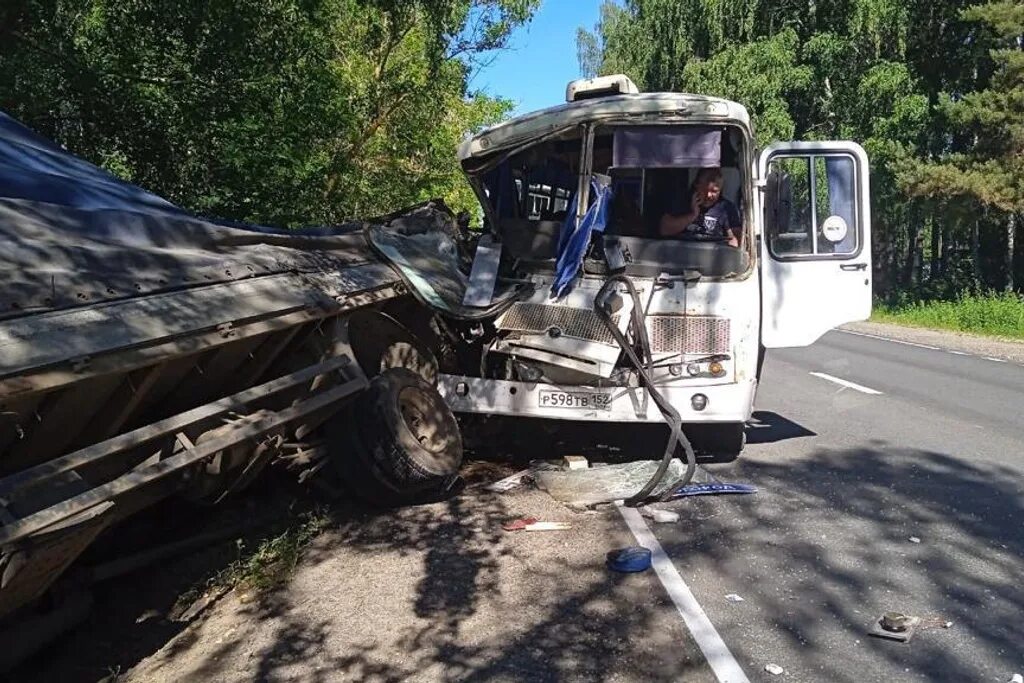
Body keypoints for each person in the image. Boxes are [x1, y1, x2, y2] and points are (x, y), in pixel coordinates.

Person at [659, 167, 741, 247]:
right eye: (705, 190)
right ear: (696, 185)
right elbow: (665, 229)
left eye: (714, 191)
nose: (709, 195)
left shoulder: (726, 208)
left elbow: (736, 239)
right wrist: (693, 215)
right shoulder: (682, 202)